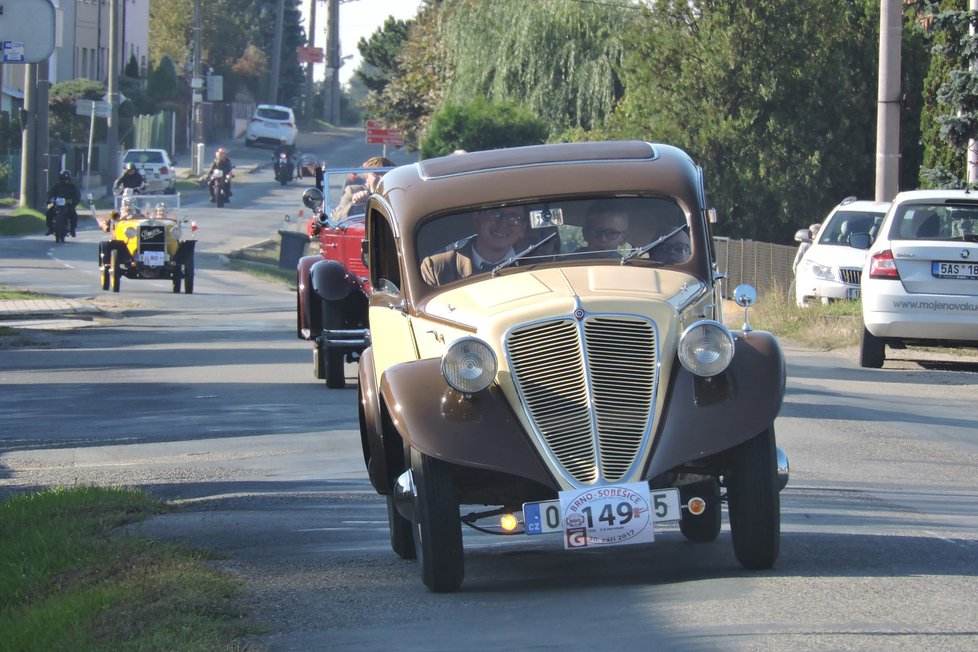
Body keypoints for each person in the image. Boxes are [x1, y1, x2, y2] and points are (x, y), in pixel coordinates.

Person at [421, 206, 529, 286]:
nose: (503, 223)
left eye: (513, 218)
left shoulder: (538, 263)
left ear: (523, 229)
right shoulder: (436, 268)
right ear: (477, 219)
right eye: (495, 214)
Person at [333, 156, 395, 220]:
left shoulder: (396, 194)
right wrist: (354, 203)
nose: (381, 178)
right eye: (376, 174)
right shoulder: (353, 191)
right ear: (367, 176)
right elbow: (336, 218)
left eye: (385, 175)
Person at [45, 170, 81, 237]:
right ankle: (50, 228)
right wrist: (49, 200)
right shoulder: (57, 186)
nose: (65, 181)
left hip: (68, 205)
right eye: (63, 179)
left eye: (67, 179)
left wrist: (74, 202)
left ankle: (72, 229)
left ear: (69, 179)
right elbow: (50, 193)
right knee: (49, 213)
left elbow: (77, 196)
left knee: (74, 215)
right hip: (57, 205)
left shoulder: (73, 187)